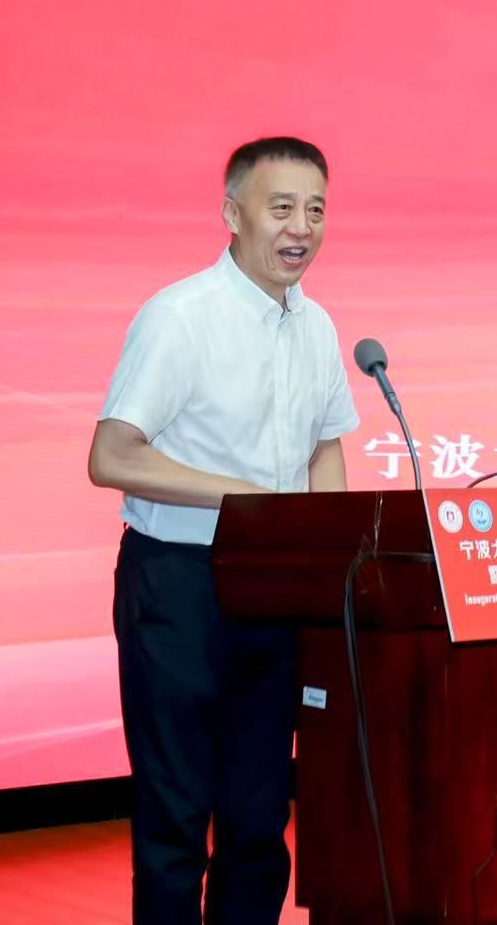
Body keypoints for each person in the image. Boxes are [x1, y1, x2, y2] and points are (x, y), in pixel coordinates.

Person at [88, 136, 359, 924]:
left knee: (258, 812)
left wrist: (327, 547)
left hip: (273, 589)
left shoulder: (316, 326)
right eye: (282, 208)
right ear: (233, 214)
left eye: (316, 210)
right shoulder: (181, 317)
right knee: (176, 812)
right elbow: (112, 455)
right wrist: (245, 499)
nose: (301, 228)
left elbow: (325, 445)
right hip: (180, 582)